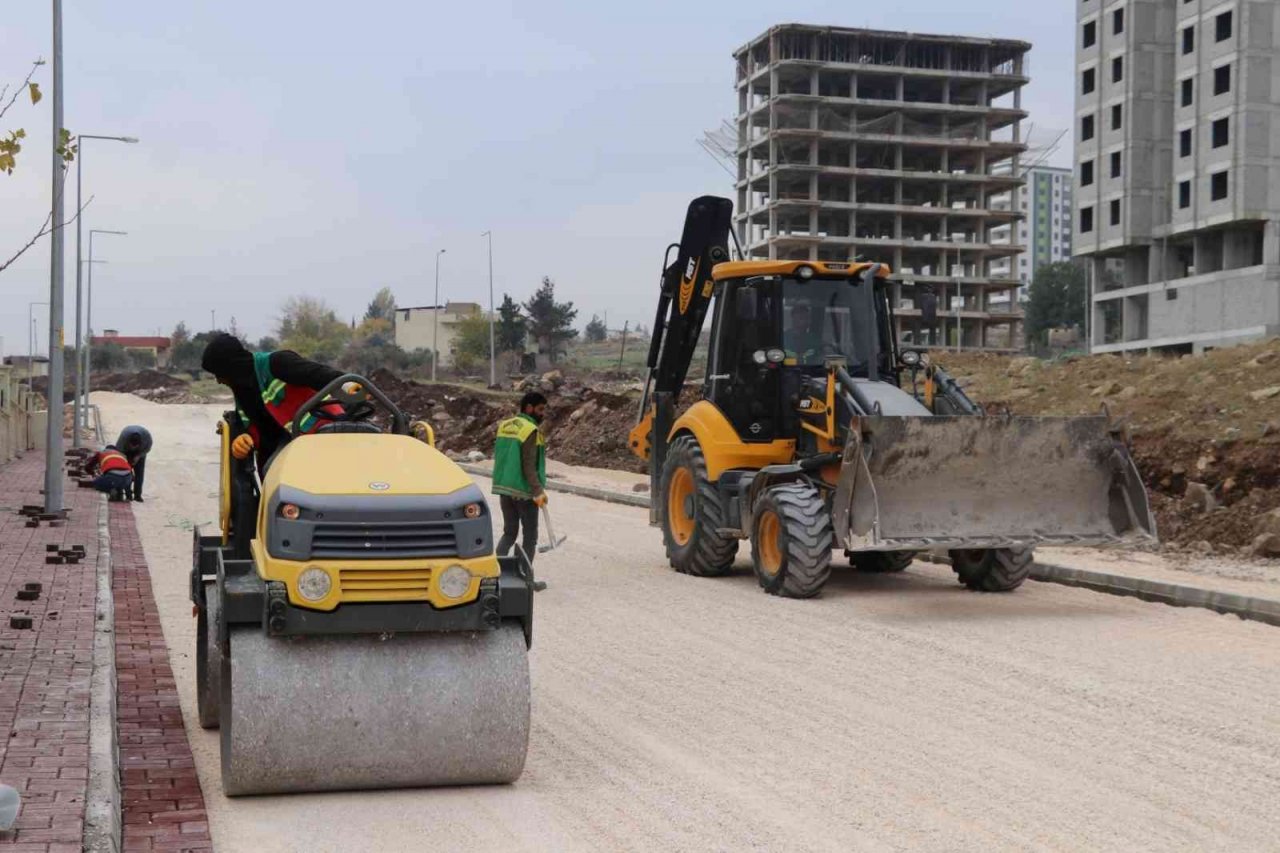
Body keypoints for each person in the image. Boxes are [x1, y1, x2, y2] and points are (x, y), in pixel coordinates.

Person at [200, 334, 347, 472]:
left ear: (230, 367)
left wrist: (350, 386)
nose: (218, 380)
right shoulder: (242, 392)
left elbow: (321, 375)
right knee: (271, 468)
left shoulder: (277, 364)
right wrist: (241, 439)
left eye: (218, 373)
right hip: (289, 444)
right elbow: (247, 427)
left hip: (327, 433)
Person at [492, 391, 548, 562]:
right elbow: (528, 464)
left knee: (509, 533)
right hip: (524, 491)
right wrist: (538, 491)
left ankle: (495, 575)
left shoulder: (505, 426)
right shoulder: (530, 430)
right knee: (530, 537)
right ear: (529, 408)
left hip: (504, 488)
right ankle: (524, 579)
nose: (542, 413)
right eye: (540, 409)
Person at [115, 425, 152, 502]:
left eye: (135, 447)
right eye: (132, 446)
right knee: (126, 473)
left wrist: (138, 456)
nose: (133, 449)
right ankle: (128, 494)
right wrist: (125, 462)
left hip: (140, 452)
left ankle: (137, 495)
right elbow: (118, 451)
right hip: (125, 452)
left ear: (139, 444)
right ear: (129, 442)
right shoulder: (123, 438)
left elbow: (148, 448)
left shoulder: (147, 438)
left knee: (139, 473)